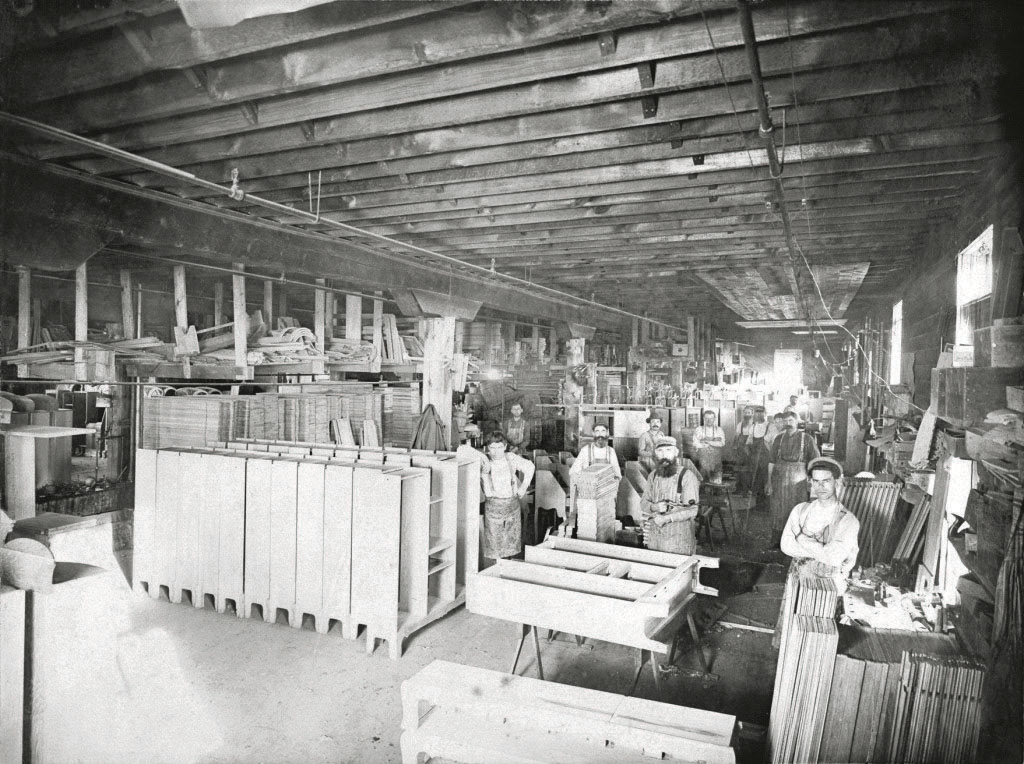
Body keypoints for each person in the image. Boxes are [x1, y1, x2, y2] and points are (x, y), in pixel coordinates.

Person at [781, 457, 859, 591]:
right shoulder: (800, 510)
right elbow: (786, 546)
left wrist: (800, 538)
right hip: (798, 584)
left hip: (831, 588)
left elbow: (834, 558)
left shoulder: (848, 520)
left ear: (837, 482)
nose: (820, 487)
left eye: (826, 481)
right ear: (811, 482)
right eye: (816, 481)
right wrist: (823, 551)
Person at [766, 411, 820, 548]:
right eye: (785, 421)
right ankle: (777, 541)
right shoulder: (778, 439)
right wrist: (769, 481)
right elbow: (771, 461)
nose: (788, 423)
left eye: (790, 420)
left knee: (797, 510)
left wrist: (811, 479)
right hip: (779, 480)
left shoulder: (807, 438)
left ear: (796, 422)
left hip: (798, 481)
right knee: (778, 509)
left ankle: (796, 541)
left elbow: (815, 461)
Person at [640, 436, 701, 554]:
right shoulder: (652, 476)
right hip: (655, 537)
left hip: (678, 537)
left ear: (676, 452)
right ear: (655, 454)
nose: (664, 455)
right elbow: (643, 503)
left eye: (668, 450)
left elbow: (693, 510)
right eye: (660, 451)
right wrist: (654, 507)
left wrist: (666, 518)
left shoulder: (687, 476)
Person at [480, 432, 535, 562]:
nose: (495, 451)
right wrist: (483, 470)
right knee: (494, 545)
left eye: (499, 447)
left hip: (512, 506)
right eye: (492, 448)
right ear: (488, 448)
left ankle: (508, 568)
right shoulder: (484, 461)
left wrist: (523, 488)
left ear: (505, 447)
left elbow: (530, 467)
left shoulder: (511, 458)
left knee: (511, 543)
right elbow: (463, 450)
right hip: (493, 508)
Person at [567, 422, 622, 536]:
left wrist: (611, 488)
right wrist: (584, 485)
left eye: (603, 431)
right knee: (589, 528)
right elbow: (572, 472)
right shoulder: (585, 450)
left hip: (606, 498)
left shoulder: (610, 451)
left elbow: (618, 475)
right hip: (588, 498)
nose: (600, 434)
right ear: (593, 434)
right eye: (597, 431)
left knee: (605, 527)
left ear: (607, 433)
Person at [735, 406, 771, 499]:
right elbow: (748, 442)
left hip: (766, 459)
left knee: (765, 478)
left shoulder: (770, 426)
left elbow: (773, 444)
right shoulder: (753, 426)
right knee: (754, 478)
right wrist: (750, 455)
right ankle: (756, 501)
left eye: (761, 412)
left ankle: (764, 499)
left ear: (765, 413)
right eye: (757, 412)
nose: (759, 414)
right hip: (754, 458)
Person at [692, 409, 726, 484]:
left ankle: (717, 491)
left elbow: (722, 443)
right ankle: (703, 489)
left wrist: (708, 442)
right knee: (703, 472)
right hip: (703, 457)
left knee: (716, 473)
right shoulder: (699, 429)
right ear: (703, 418)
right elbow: (695, 443)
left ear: (714, 419)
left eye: (711, 418)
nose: (709, 420)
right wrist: (710, 443)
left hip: (716, 457)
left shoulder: (719, 430)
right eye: (707, 418)